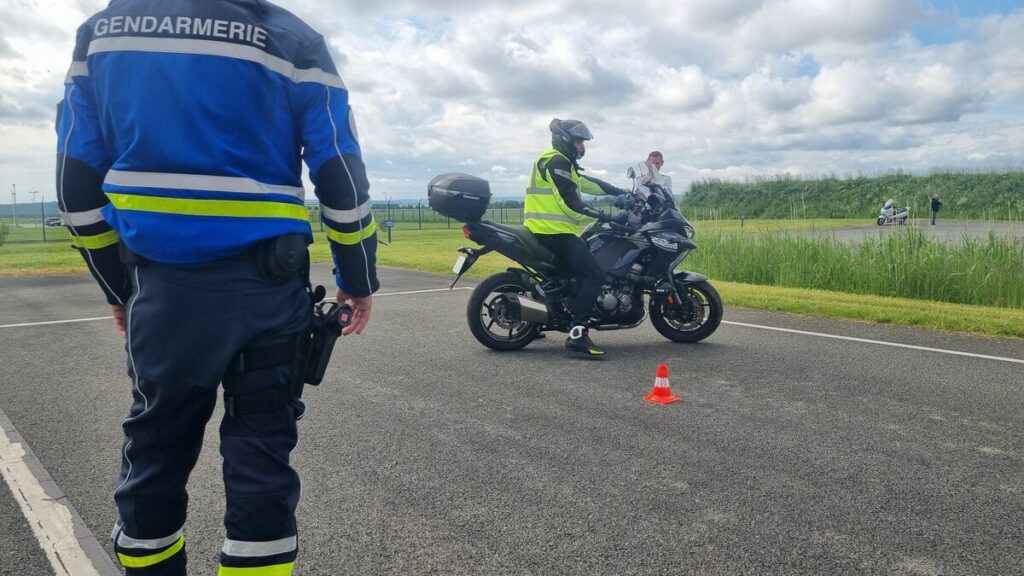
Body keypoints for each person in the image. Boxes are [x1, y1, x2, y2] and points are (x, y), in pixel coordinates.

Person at [56, 1, 378, 574]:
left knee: (155, 451)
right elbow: (339, 172)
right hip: (269, 290)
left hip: (162, 289)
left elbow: (76, 185)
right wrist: (357, 277)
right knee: (261, 458)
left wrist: (118, 289)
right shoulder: (291, 36)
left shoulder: (102, 33)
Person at [523, 118, 626, 357]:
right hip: (553, 232)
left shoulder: (558, 161)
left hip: (548, 230)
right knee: (594, 274)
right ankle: (578, 333)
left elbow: (586, 183)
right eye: (579, 141)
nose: (582, 147)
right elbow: (571, 201)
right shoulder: (557, 161)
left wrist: (619, 192)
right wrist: (606, 216)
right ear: (566, 140)